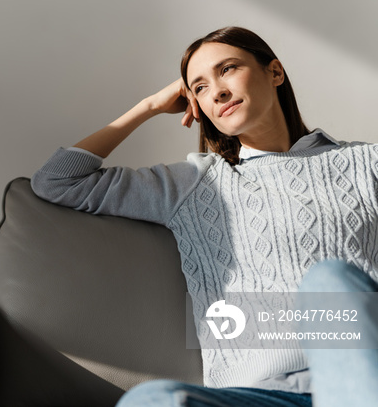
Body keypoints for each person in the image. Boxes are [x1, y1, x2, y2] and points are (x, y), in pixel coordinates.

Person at [30, 26, 378, 407]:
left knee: (328, 281)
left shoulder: (364, 164)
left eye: (227, 69)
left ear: (275, 73)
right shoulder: (194, 184)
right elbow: (58, 181)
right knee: (152, 400)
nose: (218, 91)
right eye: (199, 87)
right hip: (258, 395)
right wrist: (148, 107)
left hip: (361, 375)